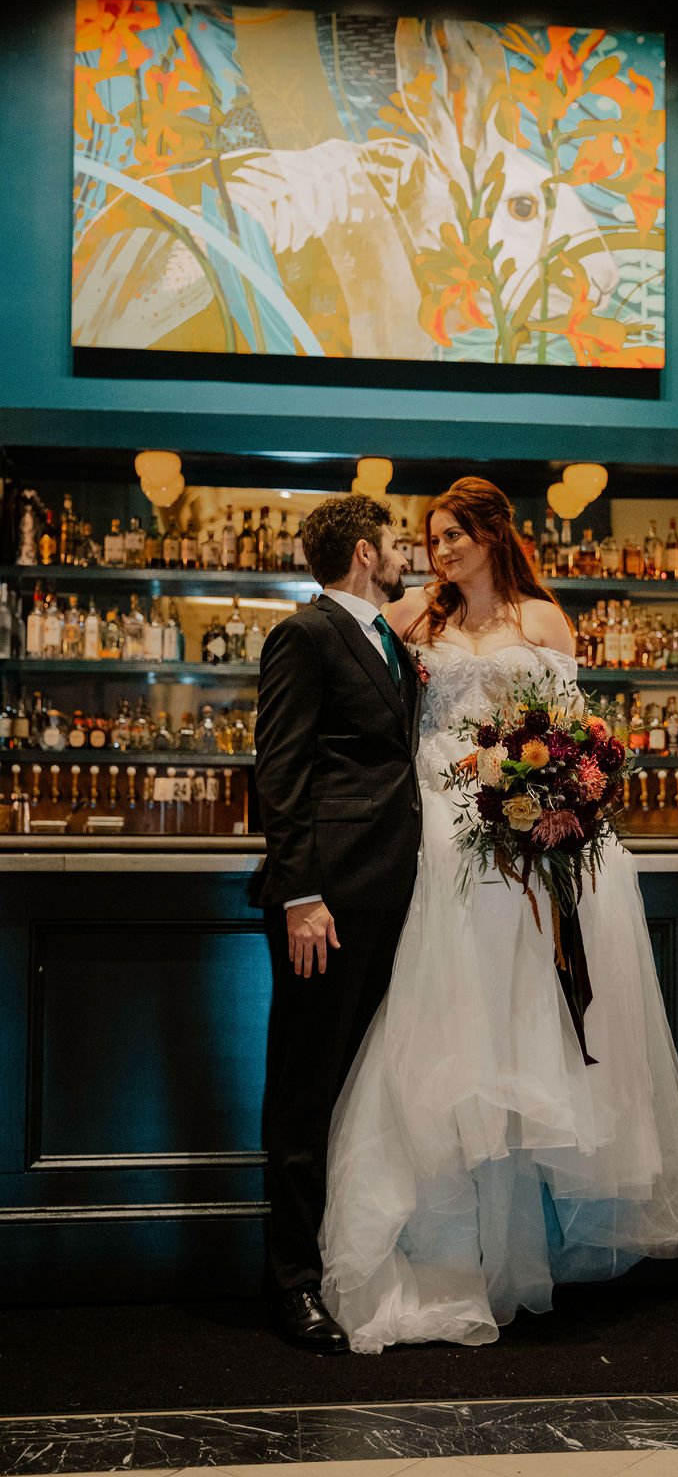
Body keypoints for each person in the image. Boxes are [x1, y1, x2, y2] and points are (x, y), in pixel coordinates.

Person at [317, 477, 678, 1352]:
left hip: (526, 837)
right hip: (437, 827)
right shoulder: (419, 617)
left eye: (455, 534)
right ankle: (449, 1249)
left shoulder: (543, 620)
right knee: (450, 1019)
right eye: (432, 537)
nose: (442, 550)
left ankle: (528, 1249)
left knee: (531, 1026)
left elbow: (568, 731)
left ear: (494, 535)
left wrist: (554, 795)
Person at [253, 494, 423, 1352]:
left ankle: (352, 1262)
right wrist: (300, 895)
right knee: (306, 1091)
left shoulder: (392, 639)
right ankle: (293, 1284)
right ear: (365, 553)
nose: (406, 554)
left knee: (367, 1093)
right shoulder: (306, 634)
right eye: (396, 542)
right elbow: (278, 773)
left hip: (399, 895)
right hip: (331, 903)